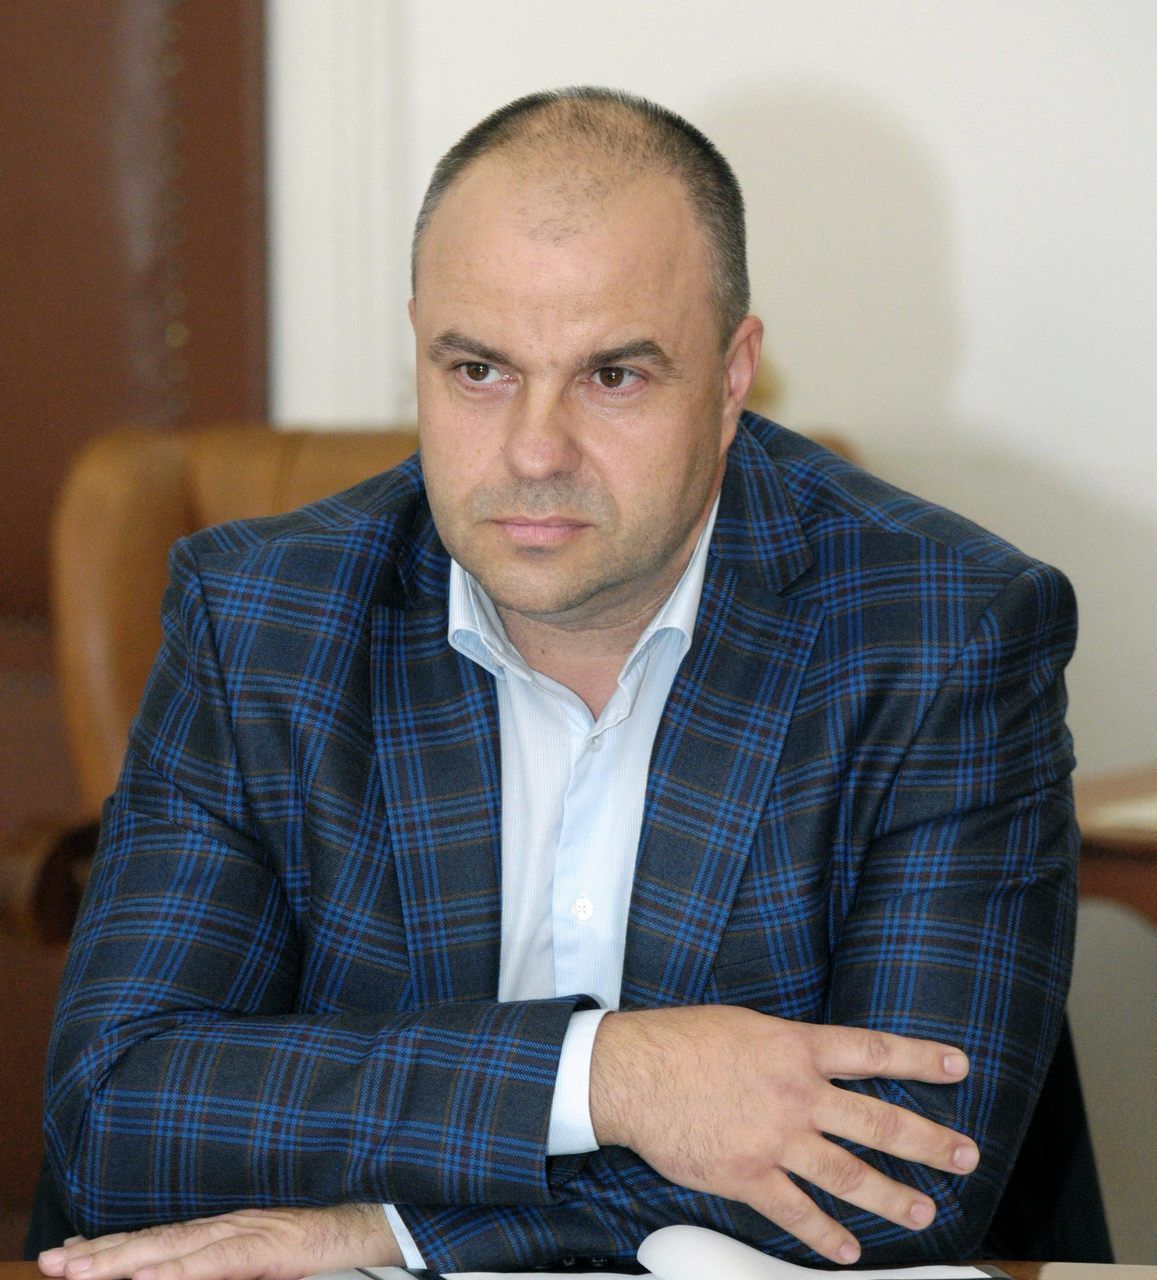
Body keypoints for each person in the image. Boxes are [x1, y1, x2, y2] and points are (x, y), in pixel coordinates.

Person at [37, 87, 1079, 1280]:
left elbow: (901, 1174)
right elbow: (117, 1110)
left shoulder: (940, 631)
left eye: (613, 375)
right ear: (418, 346)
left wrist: (388, 1227)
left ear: (731, 374)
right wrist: (605, 1074)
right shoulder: (263, 620)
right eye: (478, 368)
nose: (534, 450)